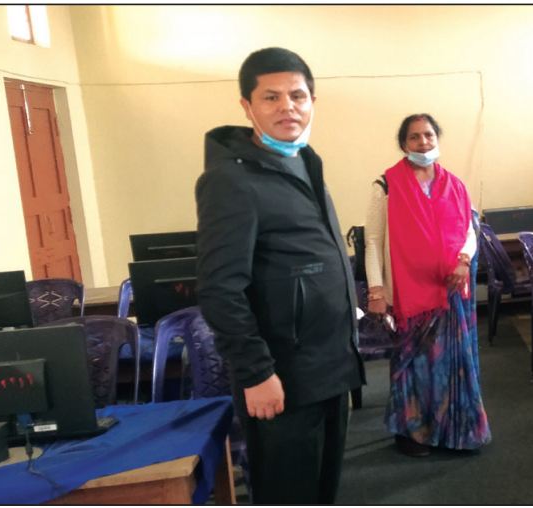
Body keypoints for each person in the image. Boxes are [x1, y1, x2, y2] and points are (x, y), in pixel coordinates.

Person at [195, 47, 365, 504]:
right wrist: (256, 373)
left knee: (322, 493)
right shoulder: (230, 181)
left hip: (330, 367)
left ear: (312, 101)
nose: (287, 107)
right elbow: (219, 289)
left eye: (297, 96)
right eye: (271, 97)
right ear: (247, 106)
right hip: (282, 376)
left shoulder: (305, 161)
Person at [363, 113, 491, 458]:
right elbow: (373, 241)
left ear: (437, 138)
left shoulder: (455, 185)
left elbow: (469, 230)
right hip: (408, 299)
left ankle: (456, 432)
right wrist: (376, 291)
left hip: (450, 294)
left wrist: (463, 261)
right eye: (414, 137)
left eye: (429, 135)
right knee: (414, 367)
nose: (423, 142)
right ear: (404, 144)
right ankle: (411, 433)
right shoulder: (386, 186)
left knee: (451, 364)